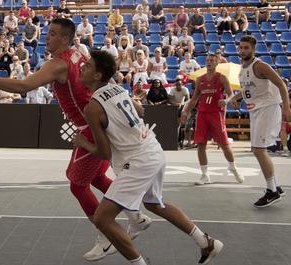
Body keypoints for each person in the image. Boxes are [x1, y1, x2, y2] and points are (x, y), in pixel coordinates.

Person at [0, 18, 151, 261]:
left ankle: (106, 236)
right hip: (103, 123)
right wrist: (127, 102)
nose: (47, 36)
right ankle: (135, 214)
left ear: (66, 39)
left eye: (53, 33)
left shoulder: (58, 64)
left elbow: (24, 86)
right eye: (48, 32)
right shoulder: (79, 54)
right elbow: (102, 82)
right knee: (96, 176)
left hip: (90, 127)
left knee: (77, 185)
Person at [74, 50, 224, 265]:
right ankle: (205, 242)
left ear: (97, 75)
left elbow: (104, 153)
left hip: (138, 160)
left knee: (102, 218)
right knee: (155, 204)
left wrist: (82, 143)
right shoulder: (117, 87)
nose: (82, 68)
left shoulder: (93, 108)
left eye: (87, 66)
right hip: (153, 149)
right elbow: (141, 111)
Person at [232, 35, 291, 207]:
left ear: (253, 50)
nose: (243, 50)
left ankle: (272, 191)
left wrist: (287, 107)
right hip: (256, 110)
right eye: (241, 47)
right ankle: (276, 188)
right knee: (258, 149)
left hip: (268, 108)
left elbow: (281, 85)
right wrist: (237, 98)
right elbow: (249, 90)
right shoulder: (243, 68)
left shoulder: (260, 66)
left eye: (246, 48)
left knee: (258, 150)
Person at [181, 54, 244, 185]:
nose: (209, 63)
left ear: (217, 63)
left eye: (212, 61)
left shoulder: (222, 78)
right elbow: (194, 99)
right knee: (200, 144)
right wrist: (186, 111)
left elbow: (231, 94)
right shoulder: (200, 79)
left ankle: (233, 167)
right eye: (208, 61)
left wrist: (226, 100)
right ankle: (204, 175)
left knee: (224, 144)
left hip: (216, 114)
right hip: (202, 114)